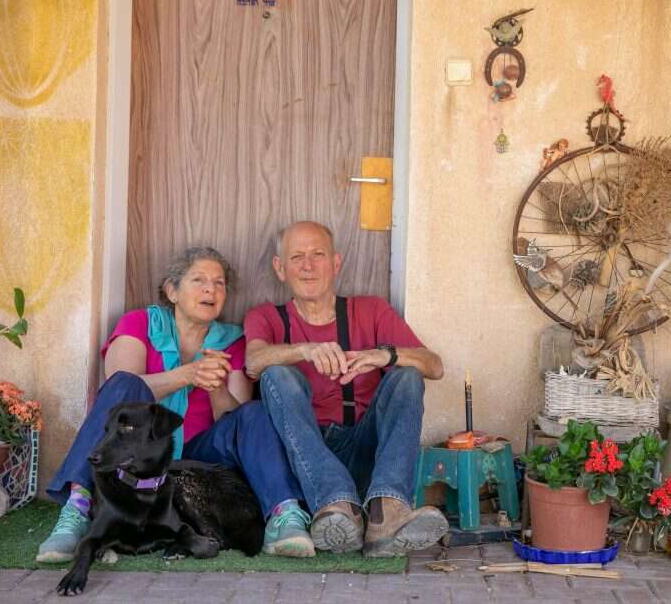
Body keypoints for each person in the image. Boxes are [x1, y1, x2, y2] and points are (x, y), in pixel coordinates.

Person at [38, 247, 317, 563]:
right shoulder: (139, 323)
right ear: (172, 290)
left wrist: (215, 387)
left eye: (219, 283)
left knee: (251, 412)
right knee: (125, 382)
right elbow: (122, 397)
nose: (211, 289)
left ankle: (284, 514)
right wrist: (188, 375)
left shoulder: (233, 339)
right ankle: (77, 506)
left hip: (201, 454)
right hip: (136, 456)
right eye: (199, 280)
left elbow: (234, 419)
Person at [244, 221, 448, 557]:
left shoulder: (371, 310)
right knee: (275, 373)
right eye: (297, 257)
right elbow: (253, 362)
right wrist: (304, 350)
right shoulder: (266, 317)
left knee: (408, 375)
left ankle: (387, 513)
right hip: (304, 455)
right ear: (280, 269)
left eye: (318, 255)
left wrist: (386, 355)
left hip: (362, 446)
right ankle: (335, 505)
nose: (308, 266)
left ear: (336, 263)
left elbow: (435, 366)